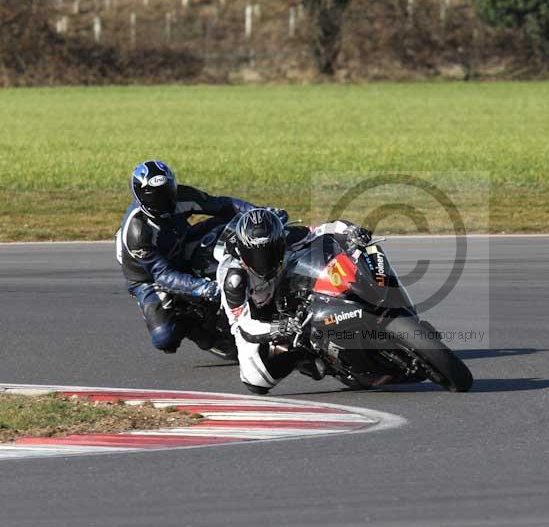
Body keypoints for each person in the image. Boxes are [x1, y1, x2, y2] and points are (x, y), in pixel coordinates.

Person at [217, 208, 372, 394]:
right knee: (256, 381)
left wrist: (352, 230)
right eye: (256, 254)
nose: (263, 260)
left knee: (321, 256)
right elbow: (245, 327)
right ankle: (303, 356)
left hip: (286, 284)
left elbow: (323, 230)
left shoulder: (287, 235)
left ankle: (359, 302)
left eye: (270, 250)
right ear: (243, 250)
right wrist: (278, 328)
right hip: (256, 314)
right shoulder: (234, 279)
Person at [117, 160, 256, 354]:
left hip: (182, 243)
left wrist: (258, 213)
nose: (165, 201)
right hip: (149, 277)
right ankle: (193, 327)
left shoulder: (181, 196)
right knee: (164, 338)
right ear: (142, 197)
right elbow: (163, 275)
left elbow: (221, 205)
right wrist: (205, 288)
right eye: (157, 197)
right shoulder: (138, 232)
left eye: (168, 192)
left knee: (229, 224)